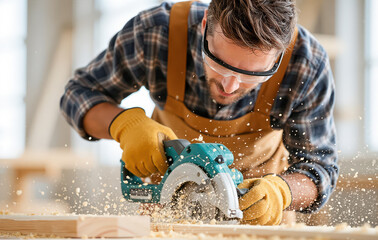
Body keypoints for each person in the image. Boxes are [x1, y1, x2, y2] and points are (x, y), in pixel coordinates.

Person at [60, 0, 338, 225]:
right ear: (206, 24)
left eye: (252, 74)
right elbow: (78, 94)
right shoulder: (158, 32)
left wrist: (282, 192)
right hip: (169, 219)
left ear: (279, 54)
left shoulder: (306, 62)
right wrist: (122, 124)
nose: (230, 85)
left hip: (259, 223)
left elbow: (319, 169)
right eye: (219, 63)